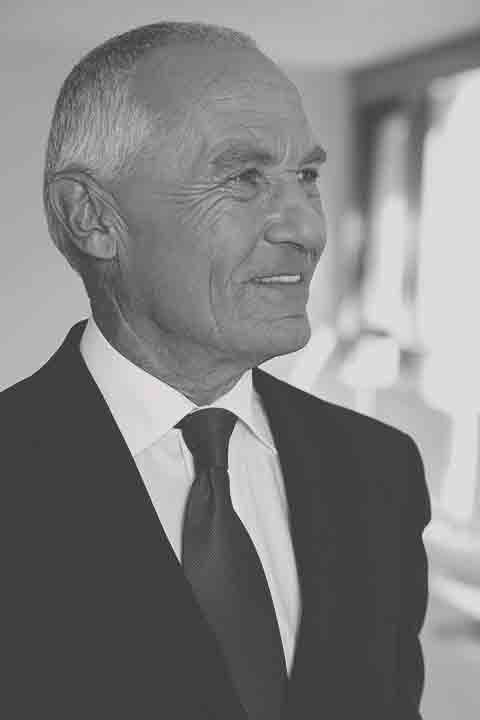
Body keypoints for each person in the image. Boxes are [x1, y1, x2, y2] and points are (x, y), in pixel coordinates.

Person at [2, 22, 430, 719]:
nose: (308, 229)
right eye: (243, 178)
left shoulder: (382, 471)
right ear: (93, 217)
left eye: (307, 177)